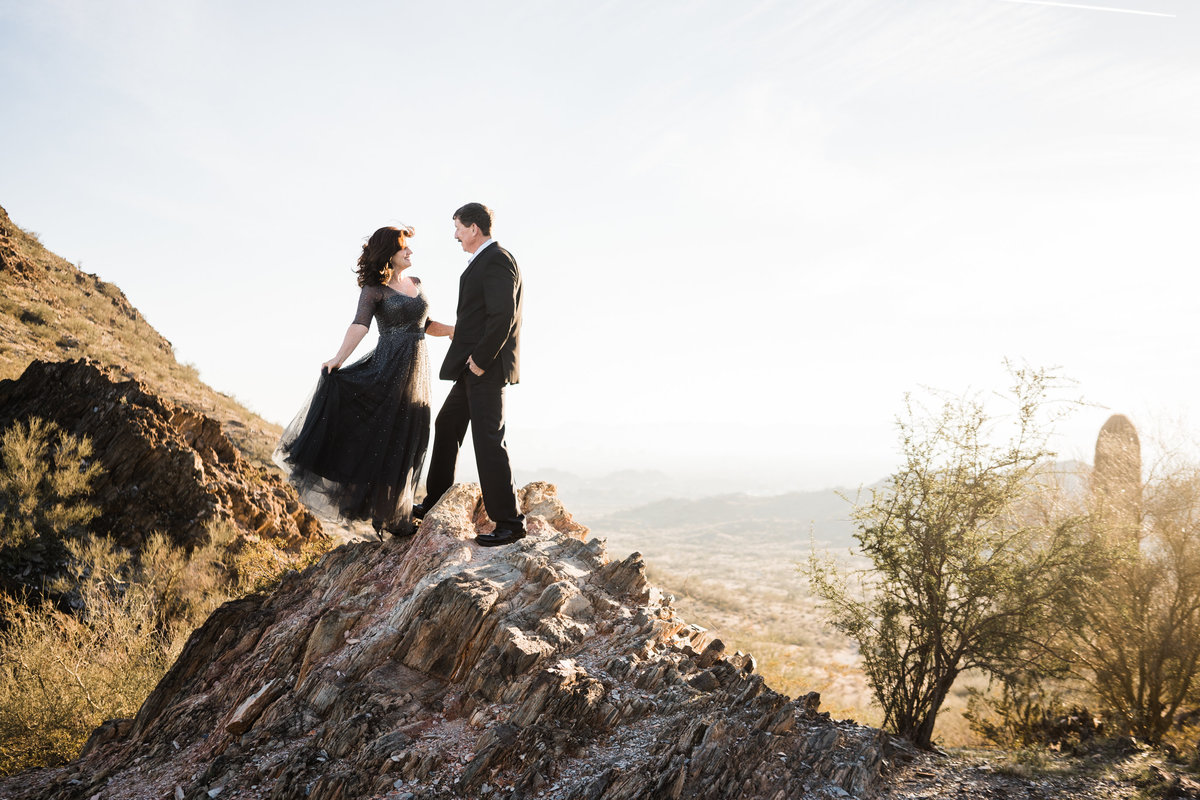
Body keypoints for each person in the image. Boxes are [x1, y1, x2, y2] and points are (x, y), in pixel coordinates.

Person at [276, 226, 453, 537]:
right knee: (387, 436)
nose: (410, 252)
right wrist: (338, 359)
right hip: (387, 368)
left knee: (412, 433)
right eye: (403, 248)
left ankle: (399, 509)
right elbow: (360, 326)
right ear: (389, 254)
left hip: (417, 370)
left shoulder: (417, 283)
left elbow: (426, 325)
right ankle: (392, 518)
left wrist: (455, 330)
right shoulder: (375, 289)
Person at [414, 203, 525, 546]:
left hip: (485, 367)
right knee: (447, 425)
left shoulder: (497, 259)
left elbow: (503, 315)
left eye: (459, 227)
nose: (456, 235)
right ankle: (436, 501)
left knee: (488, 440)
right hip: (472, 367)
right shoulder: (484, 261)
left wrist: (480, 359)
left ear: (474, 228)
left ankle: (510, 523)